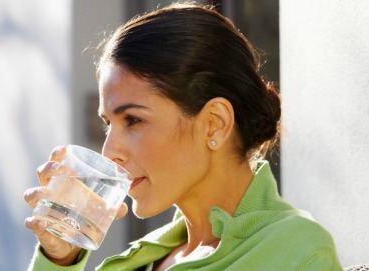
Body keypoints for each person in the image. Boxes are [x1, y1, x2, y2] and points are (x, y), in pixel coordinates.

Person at [24, 2, 343, 270]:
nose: (110, 153)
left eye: (133, 120)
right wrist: (59, 258)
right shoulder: (143, 259)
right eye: (108, 124)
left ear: (214, 124)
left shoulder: (297, 252)